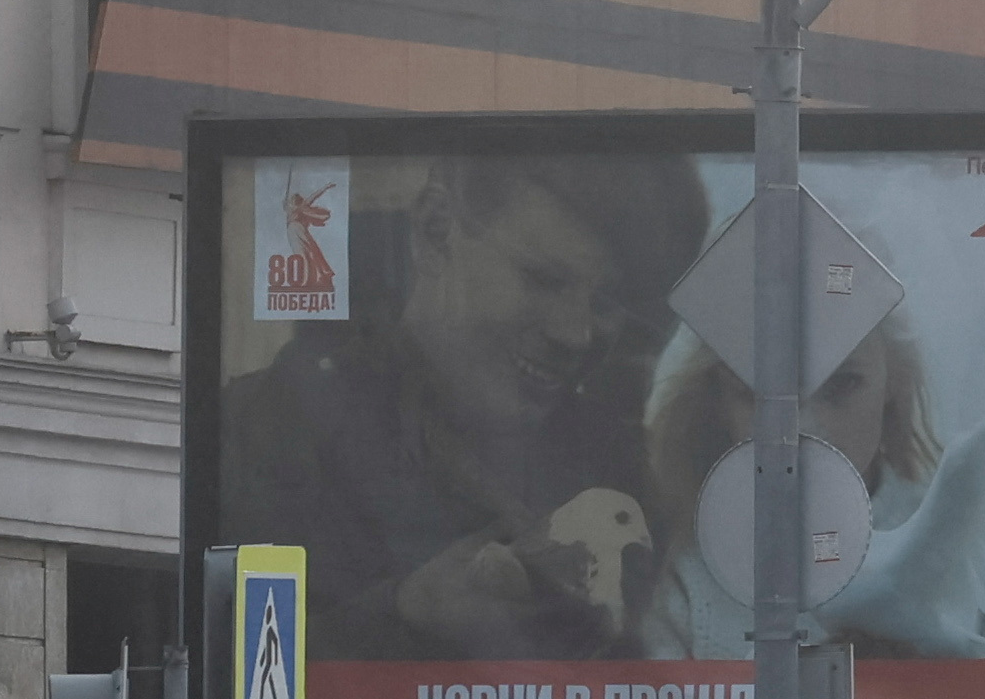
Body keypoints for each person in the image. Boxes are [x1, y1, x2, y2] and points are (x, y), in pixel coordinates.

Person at [217, 152, 709, 659]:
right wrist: (405, 616)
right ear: (435, 231)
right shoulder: (273, 429)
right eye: (543, 279)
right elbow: (242, 673)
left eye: (606, 302)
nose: (576, 334)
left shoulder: (622, 470)